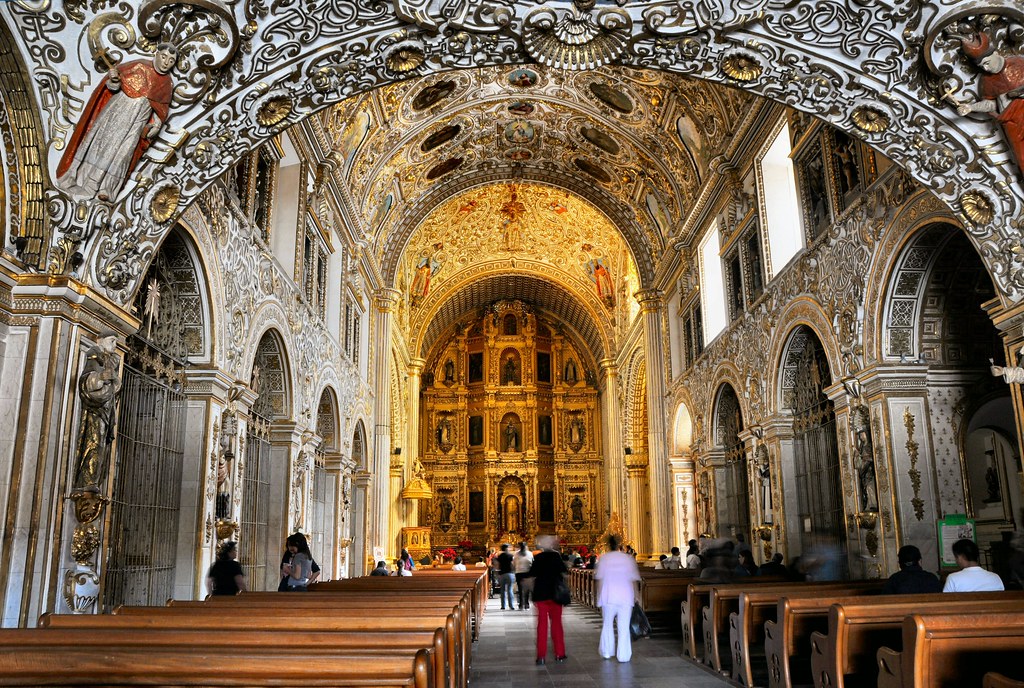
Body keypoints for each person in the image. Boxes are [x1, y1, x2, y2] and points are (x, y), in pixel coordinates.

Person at [57, 44, 177, 201]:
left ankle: (107, 188)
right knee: (100, 145)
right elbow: (114, 85)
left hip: (136, 123)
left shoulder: (166, 84)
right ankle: (82, 180)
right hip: (116, 112)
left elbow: (161, 108)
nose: (166, 62)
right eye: (164, 56)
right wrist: (113, 80)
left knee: (123, 153)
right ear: (156, 53)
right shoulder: (139, 65)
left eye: (171, 60)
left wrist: (157, 124)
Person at [72, 332, 123, 490]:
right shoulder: (93, 355)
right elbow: (85, 381)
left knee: (103, 445)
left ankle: (95, 480)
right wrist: (100, 377)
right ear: (100, 340)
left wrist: (113, 380)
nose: (115, 345)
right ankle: (87, 480)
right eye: (112, 341)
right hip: (94, 408)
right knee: (93, 441)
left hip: (106, 409)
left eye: (116, 341)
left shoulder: (112, 360)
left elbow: (116, 386)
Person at [594, 535, 641, 663]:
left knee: (608, 624)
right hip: (626, 595)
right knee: (624, 626)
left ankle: (607, 651)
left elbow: (600, 579)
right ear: (619, 545)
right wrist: (636, 595)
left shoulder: (604, 559)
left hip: (609, 595)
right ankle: (624, 655)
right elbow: (633, 579)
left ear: (609, 545)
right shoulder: (627, 559)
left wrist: (599, 595)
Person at [527, 534, 569, 665]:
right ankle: (560, 653)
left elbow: (531, 575)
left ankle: (541, 656)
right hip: (555, 594)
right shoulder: (556, 556)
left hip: (541, 594)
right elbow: (564, 573)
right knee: (557, 624)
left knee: (542, 626)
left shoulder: (537, 557)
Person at [513, 542, 534, 610]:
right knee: (527, 589)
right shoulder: (530, 553)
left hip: (519, 572)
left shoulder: (516, 554)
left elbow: (514, 563)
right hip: (527, 573)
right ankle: (526, 604)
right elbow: (532, 562)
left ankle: (521, 604)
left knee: (520, 589)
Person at [496, 543, 515, 610]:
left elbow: (498, 565)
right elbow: (513, 564)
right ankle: (511, 605)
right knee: (510, 590)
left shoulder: (500, 556)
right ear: (507, 548)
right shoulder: (510, 555)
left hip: (502, 574)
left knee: (502, 590)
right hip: (509, 573)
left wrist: (498, 574)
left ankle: (503, 606)